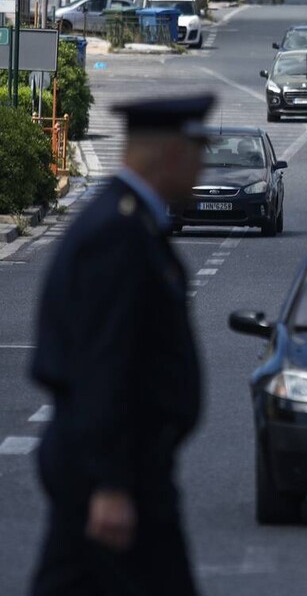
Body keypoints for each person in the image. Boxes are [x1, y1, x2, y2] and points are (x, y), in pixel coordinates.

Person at [29, 94, 214, 596]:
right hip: (114, 470)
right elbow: (101, 366)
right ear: (170, 154)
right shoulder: (119, 233)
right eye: (198, 153)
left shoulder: (133, 223)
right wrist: (111, 483)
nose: (203, 168)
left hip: (120, 466)